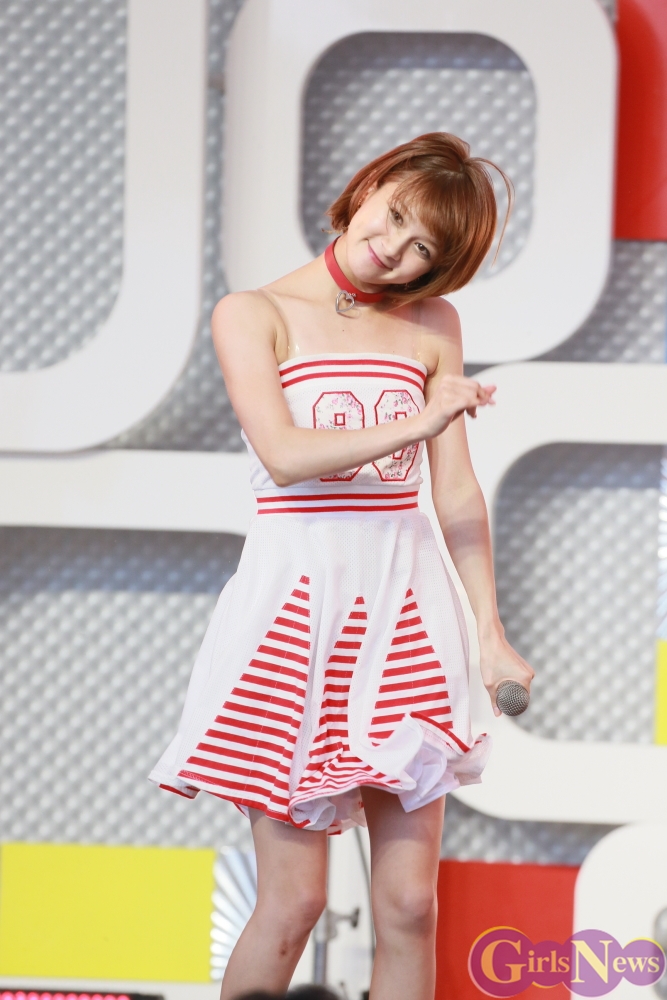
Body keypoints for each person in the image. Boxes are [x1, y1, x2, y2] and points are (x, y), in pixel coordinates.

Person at [150, 132, 534, 1000]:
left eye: (422, 247)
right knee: (294, 903)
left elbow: (456, 492)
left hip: (405, 612)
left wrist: (488, 632)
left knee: (408, 905)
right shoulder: (252, 313)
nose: (392, 249)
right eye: (392, 216)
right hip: (295, 612)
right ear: (367, 188)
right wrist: (420, 418)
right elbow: (285, 455)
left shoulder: (432, 325)